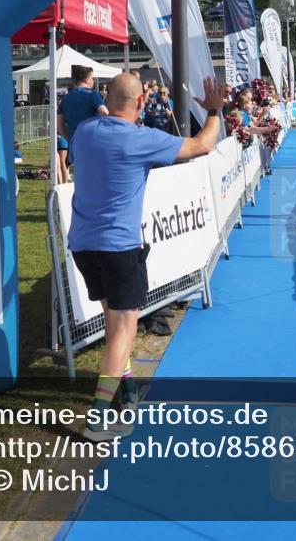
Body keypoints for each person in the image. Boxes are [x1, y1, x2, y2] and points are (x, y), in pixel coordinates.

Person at [69, 74, 223, 440]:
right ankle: (98, 419)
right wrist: (216, 111)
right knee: (124, 329)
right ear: (140, 103)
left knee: (115, 324)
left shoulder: (86, 132)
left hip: (84, 245)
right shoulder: (140, 138)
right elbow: (202, 145)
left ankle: (128, 392)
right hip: (119, 248)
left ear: (108, 98)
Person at [58, 65, 108, 161]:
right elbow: (105, 112)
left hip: (75, 143)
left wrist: (69, 138)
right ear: (87, 80)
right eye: (93, 78)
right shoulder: (92, 94)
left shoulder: (66, 97)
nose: (93, 81)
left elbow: (59, 123)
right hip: (92, 142)